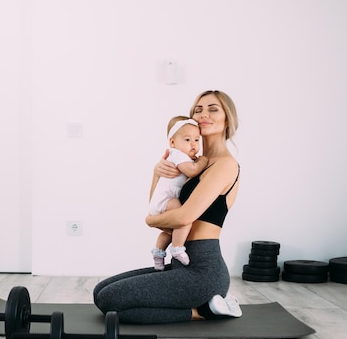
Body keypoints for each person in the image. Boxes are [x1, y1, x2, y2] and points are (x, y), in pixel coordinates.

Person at [94, 90, 242, 324]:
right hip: (180, 265)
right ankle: (204, 306)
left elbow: (183, 217)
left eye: (213, 109)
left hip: (203, 271)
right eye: (198, 109)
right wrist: (157, 172)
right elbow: (158, 207)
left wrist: (149, 221)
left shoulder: (224, 165)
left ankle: (202, 311)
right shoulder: (190, 162)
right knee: (100, 291)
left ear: (227, 119)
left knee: (110, 300)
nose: (204, 114)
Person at [149, 116, 208, 270]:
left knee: (170, 232)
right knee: (184, 217)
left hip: (159, 201)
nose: (193, 144)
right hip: (167, 199)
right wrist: (202, 161)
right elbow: (192, 171)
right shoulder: (177, 155)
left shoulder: (182, 156)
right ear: (173, 142)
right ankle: (177, 248)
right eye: (187, 140)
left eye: (197, 140)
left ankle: (158, 253)